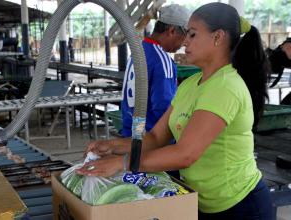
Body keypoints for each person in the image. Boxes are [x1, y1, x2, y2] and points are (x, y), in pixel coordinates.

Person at [78, 3, 272, 219]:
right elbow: (155, 137)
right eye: (186, 34)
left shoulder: (225, 86)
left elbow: (185, 154)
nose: (185, 41)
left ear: (218, 37)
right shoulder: (191, 84)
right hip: (203, 202)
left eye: (192, 34)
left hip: (240, 206)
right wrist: (113, 146)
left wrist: (123, 163)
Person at [121, 4, 189, 137]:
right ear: (172, 30)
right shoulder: (162, 60)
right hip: (151, 138)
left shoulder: (139, 51)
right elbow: (164, 107)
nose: (185, 43)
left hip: (132, 132)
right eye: (186, 35)